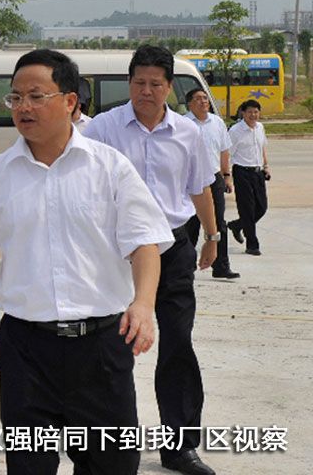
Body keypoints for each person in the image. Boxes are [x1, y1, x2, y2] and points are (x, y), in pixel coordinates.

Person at [0, 49, 172, 475]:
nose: (23, 107)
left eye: (36, 96)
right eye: (15, 98)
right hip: (26, 351)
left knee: (112, 466)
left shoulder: (109, 167)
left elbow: (144, 243)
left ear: (70, 101)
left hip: (100, 349)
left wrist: (143, 305)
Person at [83, 45, 219, 475]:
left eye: (155, 84)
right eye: (139, 83)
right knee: (108, 348)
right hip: (116, 252)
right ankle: (105, 444)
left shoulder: (188, 133)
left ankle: (180, 447)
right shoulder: (102, 129)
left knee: (178, 344)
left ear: (169, 87)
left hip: (173, 248)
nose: (146, 91)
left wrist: (212, 235)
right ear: (129, 83)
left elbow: (199, 187)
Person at [185, 88, 239, 278]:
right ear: (189, 104)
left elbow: (224, 150)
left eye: (205, 98)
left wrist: (226, 175)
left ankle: (221, 266)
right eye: (198, 98)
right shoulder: (183, 124)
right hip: (190, 180)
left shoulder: (217, 123)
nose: (203, 101)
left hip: (214, 177)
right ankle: (186, 267)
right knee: (190, 224)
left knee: (218, 223)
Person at [227, 99, 270, 257]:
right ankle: (252, 245)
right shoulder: (235, 131)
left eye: (256, 112)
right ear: (243, 113)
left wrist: (266, 166)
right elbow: (227, 154)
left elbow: (262, 147)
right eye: (250, 112)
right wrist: (227, 176)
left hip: (257, 172)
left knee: (262, 207)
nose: (253, 115)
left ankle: (237, 225)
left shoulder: (260, 127)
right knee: (247, 209)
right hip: (242, 172)